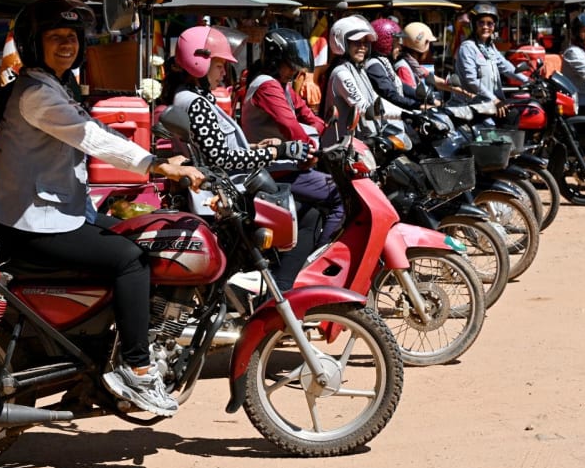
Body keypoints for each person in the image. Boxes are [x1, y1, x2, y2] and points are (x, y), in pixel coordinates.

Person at [0, 0, 204, 417]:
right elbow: (92, 138)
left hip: (57, 212)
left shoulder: (54, 85)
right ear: (35, 43)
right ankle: (137, 368)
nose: (66, 45)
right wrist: (154, 164)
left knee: (137, 235)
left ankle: (92, 369)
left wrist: (162, 154)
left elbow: (99, 128)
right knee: (131, 261)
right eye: (55, 37)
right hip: (35, 223)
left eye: (72, 37)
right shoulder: (37, 94)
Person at [165, 25, 316, 292]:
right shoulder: (195, 103)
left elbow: (218, 150)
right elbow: (222, 159)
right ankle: (279, 292)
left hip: (226, 191)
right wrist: (276, 152)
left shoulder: (193, 98)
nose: (224, 72)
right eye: (219, 64)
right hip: (225, 197)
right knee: (307, 217)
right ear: (199, 62)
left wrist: (259, 146)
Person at [241, 28, 344, 245]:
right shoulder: (267, 86)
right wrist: (310, 152)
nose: (294, 71)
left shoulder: (282, 84)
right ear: (276, 60)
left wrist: (333, 135)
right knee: (342, 195)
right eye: (290, 65)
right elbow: (289, 125)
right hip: (275, 169)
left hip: (287, 165)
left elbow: (305, 113)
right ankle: (324, 259)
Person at [321, 15, 405, 147]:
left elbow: (376, 100)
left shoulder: (358, 69)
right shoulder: (341, 73)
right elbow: (364, 108)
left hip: (358, 145)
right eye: (356, 42)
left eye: (365, 43)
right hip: (339, 151)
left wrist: (409, 113)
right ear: (342, 42)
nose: (362, 47)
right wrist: (402, 115)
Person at [449, 2, 522, 122]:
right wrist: (494, 99)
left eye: (490, 23)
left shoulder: (489, 47)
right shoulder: (467, 47)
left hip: (489, 106)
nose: (485, 27)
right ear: (474, 24)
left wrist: (529, 80)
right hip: (474, 108)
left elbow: (505, 66)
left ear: (495, 26)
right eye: (481, 22)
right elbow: (471, 79)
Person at [393, 20, 474, 104]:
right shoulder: (404, 68)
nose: (431, 51)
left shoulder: (414, 66)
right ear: (421, 45)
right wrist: (436, 103)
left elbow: (436, 81)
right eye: (429, 45)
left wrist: (466, 93)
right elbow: (413, 96)